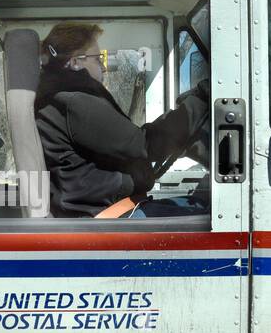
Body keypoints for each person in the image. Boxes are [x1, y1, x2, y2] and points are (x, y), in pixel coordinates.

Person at [35, 22, 209, 217]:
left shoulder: (62, 100)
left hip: (109, 211)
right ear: (76, 62)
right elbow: (145, 144)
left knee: (197, 205)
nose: (103, 66)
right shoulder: (75, 101)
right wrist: (202, 99)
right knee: (207, 214)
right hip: (111, 217)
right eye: (97, 58)